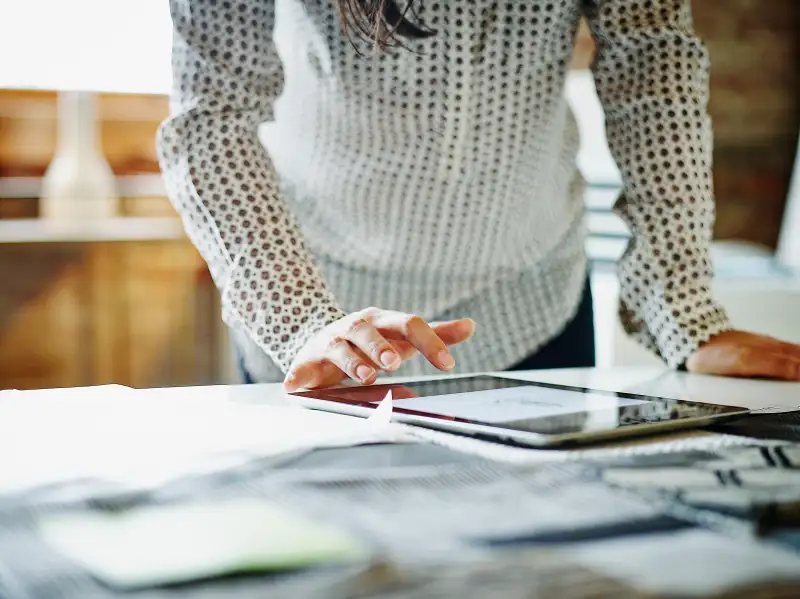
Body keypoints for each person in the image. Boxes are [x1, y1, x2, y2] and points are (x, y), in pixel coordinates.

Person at [158, 0, 800, 390]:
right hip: (322, 315)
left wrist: (682, 308)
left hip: (533, 305)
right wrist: (299, 318)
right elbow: (210, 113)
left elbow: (652, 66)